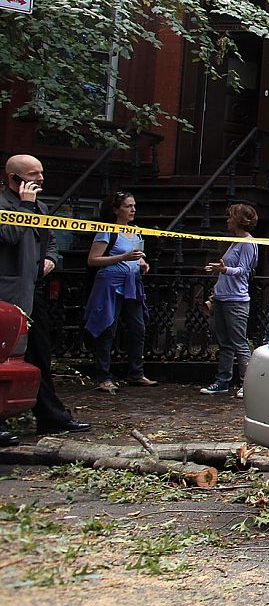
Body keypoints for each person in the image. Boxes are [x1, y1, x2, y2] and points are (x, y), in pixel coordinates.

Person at [0, 154, 88, 439]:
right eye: (33, 174)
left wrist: (51, 258)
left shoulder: (41, 206)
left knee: (40, 354)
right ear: (13, 178)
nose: (40, 179)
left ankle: (51, 416)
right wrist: (25, 206)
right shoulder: (4, 205)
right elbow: (9, 236)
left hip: (33, 290)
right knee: (3, 357)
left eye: (41, 173)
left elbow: (49, 241)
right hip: (7, 295)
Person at [82, 192, 155, 393]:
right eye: (128, 206)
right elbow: (93, 260)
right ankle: (103, 376)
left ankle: (136, 373)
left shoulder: (135, 231)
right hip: (110, 284)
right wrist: (122, 257)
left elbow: (136, 254)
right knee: (107, 328)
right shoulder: (107, 231)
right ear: (116, 210)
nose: (132, 210)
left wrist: (142, 263)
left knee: (138, 327)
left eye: (134, 206)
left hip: (132, 284)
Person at [203, 203, 258, 397]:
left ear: (239, 220)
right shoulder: (235, 242)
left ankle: (247, 384)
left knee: (239, 343)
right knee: (225, 343)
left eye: (230, 217)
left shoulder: (248, 243)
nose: (227, 220)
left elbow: (243, 270)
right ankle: (222, 381)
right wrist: (218, 273)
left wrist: (224, 269)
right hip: (222, 298)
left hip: (236, 300)